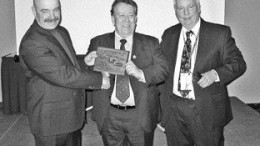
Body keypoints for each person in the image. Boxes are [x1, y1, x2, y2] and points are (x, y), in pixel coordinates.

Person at [19, 0, 110, 145]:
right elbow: (62, 74)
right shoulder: (31, 42)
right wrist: (99, 80)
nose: (52, 16)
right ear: (33, 11)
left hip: (71, 117)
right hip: (51, 122)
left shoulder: (61, 31)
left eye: (56, 10)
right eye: (45, 11)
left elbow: (67, 65)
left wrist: (84, 62)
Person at [159, 0, 247, 145]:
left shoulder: (219, 33)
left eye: (190, 7)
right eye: (180, 8)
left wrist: (215, 74)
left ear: (199, 7)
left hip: (206, 108)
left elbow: (239, 63)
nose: (185, 12)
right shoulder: (169, 34)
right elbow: (161, 67)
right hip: (174, 108)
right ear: (175, 10)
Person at [85, 0, 169, 145]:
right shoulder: (98, 42)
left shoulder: (151, 43)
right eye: (121, 15)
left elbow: (163, 70)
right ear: (113, 19)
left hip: (140, 115)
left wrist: (140, 73)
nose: (126, 20)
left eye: (131, 15)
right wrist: (88, 64)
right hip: (109, 115)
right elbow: (88, 77)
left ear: (136, 19)